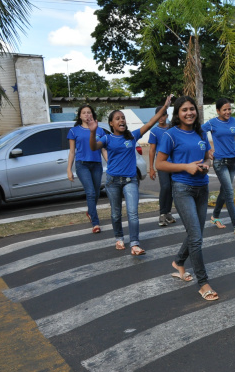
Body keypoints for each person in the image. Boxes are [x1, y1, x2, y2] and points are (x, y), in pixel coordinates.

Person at [89, 95, 172, 255]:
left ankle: (134, 243)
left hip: (130, 181)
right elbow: (93, 147)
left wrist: (164, 107)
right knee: (116, 213)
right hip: (113, 182)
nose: (122, 120)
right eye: (118, 118)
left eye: (123, 118)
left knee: (133, 213)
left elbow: (150, 123)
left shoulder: (132, 136)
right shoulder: (107, 138)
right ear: (111, 123)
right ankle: (119, 238)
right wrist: (93, 132)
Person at [156, 96, 219, 301]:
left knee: (196, 233)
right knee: (196, 237)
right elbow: (160, 164)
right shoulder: (170, 135)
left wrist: (206, 163)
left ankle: (178, 262)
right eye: (184, 110)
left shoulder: (200, 132)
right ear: (177, 113)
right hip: (182, 188)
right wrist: (186, 167)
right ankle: (203, 283)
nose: (189, 113)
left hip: (202, 187)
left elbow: (207, 155)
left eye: (192, 109)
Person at [202, 98, 235, 236]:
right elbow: (200, 132)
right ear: (218, 111)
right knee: (229, 192)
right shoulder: (212, 123)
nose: (228, 112)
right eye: (224, 109)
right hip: (220, 162)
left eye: (229, 109)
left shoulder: (233, 121)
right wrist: (208, 149)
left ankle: (215, 216)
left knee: (224, 191)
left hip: (232, 161)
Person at [67, 104, 107, 234]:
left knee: (95, 192)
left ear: (92, 115)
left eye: (89, 112)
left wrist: (110, 163)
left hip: (96, 165)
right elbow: (72, 152)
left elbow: (103, 149)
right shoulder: (74, 131)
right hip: (82, 164)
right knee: (90, 192)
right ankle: (95, 223)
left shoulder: (99, 130)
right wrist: (69, 169)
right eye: (84, 112)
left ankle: (90, 212)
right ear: (80, 116)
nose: (87, 115)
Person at [148, 105, 176, 227]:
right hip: (162, 164)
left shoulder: (172, 128)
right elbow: (152, 150)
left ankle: (168, 213)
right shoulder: (154, 131)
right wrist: (151, 168)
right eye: (159, 115)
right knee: (165, 187)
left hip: (174, 164)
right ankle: (162, 214)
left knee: (172, 189)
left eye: (163, 115)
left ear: (167, 116)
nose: (161, 117)